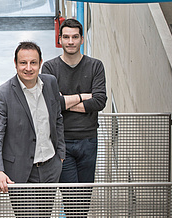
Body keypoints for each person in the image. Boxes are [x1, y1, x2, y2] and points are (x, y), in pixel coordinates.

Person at [0, 41, 65, 217]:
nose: (28, 68)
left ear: (41, 63)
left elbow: (58, 119)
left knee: (44, 215)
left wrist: (60, 154)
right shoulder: (3, 94)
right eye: (23, 63)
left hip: (50, 166)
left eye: (33, 62)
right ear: (15, 63)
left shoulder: (50, 83)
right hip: (21, 172)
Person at [41, 18, 107, 217]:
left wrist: (65, 102)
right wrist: (82, 97)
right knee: (71, 198)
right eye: (66, 37)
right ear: (60, 39)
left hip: (89, 140)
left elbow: (99, 102)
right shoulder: (50, 69)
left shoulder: (95, 66)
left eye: (75, 37)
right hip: (63, 142)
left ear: (82, 39)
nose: (71, 41)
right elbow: (52, 105)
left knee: (84, 198)